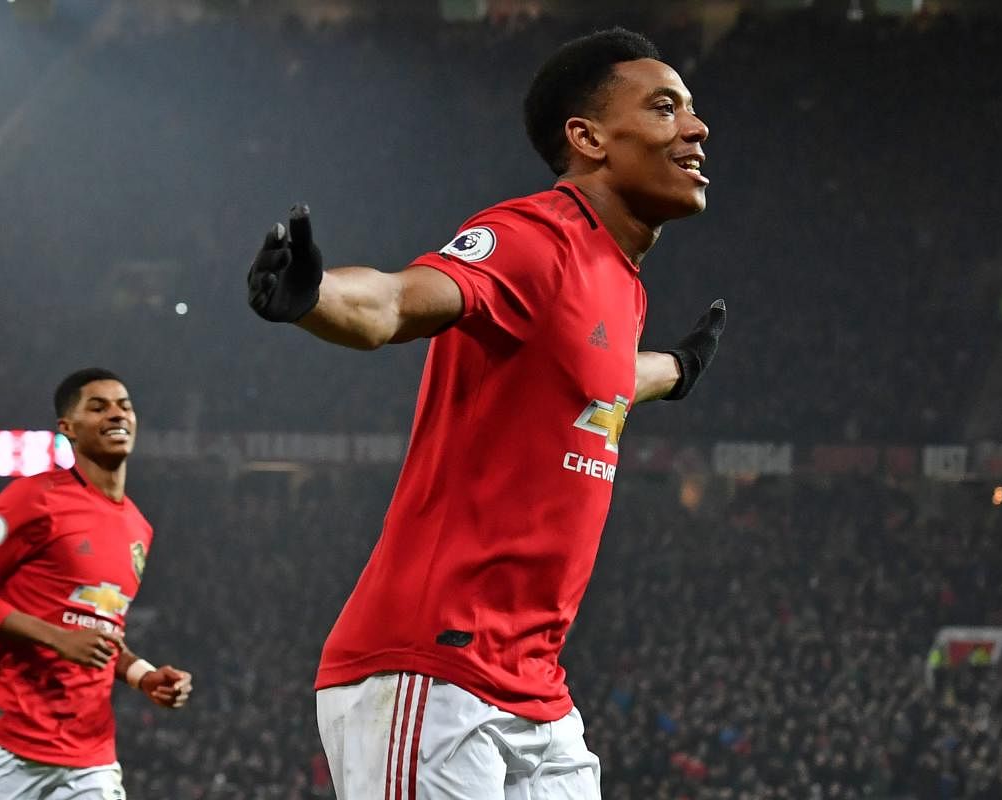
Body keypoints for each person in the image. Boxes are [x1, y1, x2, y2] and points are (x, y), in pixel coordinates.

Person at [247, 27, 724, 799]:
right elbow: (399, 300)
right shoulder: (535, 236)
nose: (697, 129)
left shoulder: (624, 286)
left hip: (534, 689)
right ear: (588, 137)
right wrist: (315, 297)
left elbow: (596, 382)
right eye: (667, 109)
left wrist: (675, 369)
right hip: (432, 670)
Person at [0, 368, 192, 799]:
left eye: (124, 405)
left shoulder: (138, 527)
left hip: (91, 757)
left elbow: (103, 629)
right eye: (98, 407)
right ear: (67, 429)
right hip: (7, 745)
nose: (116, 414)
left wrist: (143, 675)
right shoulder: (35, 498)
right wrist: (57, 638)